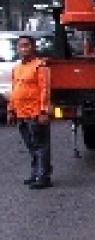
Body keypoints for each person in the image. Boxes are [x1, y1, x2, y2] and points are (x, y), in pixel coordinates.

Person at [6, 36, 52, 189]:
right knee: (31, 146)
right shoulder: (17, 68)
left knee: (41, 145)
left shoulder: (40, 66)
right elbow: (14, 91)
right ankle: (35, 174)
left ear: (33, 47)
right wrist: (10, 110)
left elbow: (45, 90)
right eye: (20, 46)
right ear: (17, 49)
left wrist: (43, 111)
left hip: (35, 113)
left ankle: (43, 176)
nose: (23, 48)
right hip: (21, 114)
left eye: (26, 45)